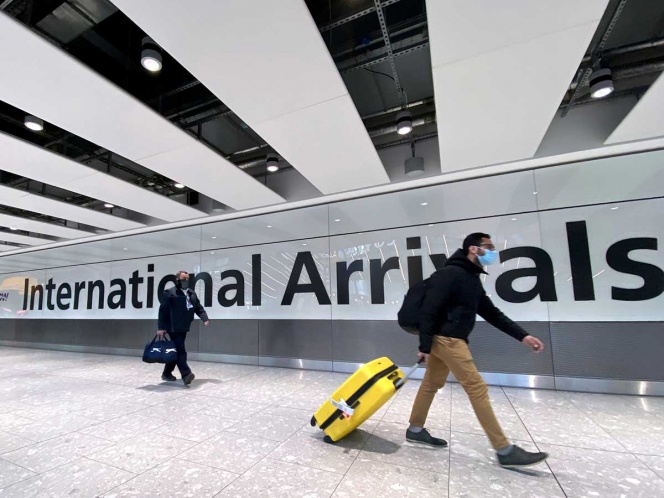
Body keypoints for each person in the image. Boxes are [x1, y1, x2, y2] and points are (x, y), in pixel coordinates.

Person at [406, 233, 549, 468]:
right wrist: (424, 346)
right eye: (488, 246)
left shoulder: (470, 278)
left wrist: (523, 336)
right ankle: (504, 450)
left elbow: (492, 313)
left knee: (431, 383)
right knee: (477, 387)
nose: (492, 251)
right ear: (473, 249)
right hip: (449, 340)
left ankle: (415, 429)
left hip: (447, 339)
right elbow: (429, 309)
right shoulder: (450, 274)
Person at [157, 270, 209, 385]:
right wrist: (161, 327)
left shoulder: (191, 293)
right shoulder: (170, 293)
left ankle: (166, 373)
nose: (186, 281)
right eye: (183, 279)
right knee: (180, 350)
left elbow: (198, 307)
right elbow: (163, 311)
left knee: (175, 350)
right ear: (177, 280)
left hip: (184, 326)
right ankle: (186, 374)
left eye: (187, 279)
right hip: (173, 327)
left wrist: (204, 318)